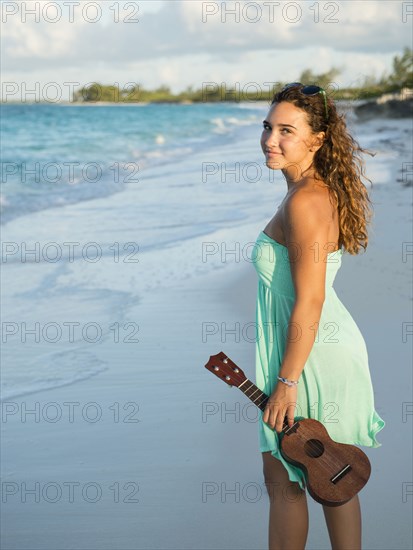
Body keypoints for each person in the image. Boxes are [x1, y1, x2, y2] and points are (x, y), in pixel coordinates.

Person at [252, 83, 385, 550]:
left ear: (318, 139)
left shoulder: (305, 201)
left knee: (285, 480)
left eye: (287, 130)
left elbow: (309, 301)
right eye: (268, 127)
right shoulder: (309, 192)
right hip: (313, 347)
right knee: (333, 479)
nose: (271, 139)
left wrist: (287, 381)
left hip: (310, 358)